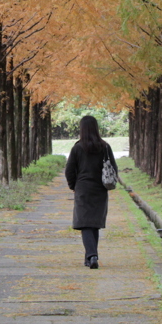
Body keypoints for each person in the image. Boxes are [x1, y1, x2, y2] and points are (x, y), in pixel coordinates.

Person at [65, 115, 117, 269]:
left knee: (85, 224)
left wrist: (73, 185)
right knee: (94, 224)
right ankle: (91, 257)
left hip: (83, 189)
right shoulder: (105, 147)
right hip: (100, 189)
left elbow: (69, 170)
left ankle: (91, 256)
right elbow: (113, 168)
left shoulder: (77, 148)